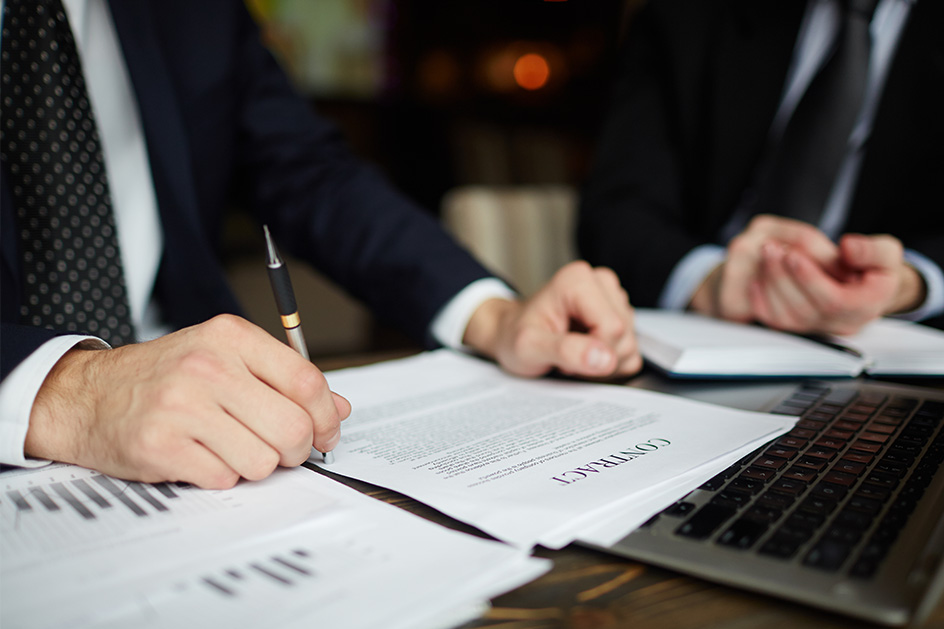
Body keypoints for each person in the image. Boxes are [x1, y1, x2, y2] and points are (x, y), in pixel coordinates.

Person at [0, 0, 641, 489]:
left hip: (218, 448)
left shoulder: (193, 11)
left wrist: (494, 317)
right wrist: (68, 393)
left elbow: (311, 172)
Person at [577, 0, 944, 337]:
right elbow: (617, 207)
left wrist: (908, 283)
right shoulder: (692, 12)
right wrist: (709, 281)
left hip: (888, 345)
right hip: (702, 331)